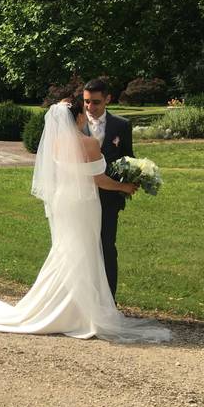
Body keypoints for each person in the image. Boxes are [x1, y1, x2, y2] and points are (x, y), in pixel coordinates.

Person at [0, 98, 170, 343]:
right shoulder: (89, 143)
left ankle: (67, 304)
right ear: (79, 118)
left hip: (63, 201)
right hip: (83, 203)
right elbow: (99, 180)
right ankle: (79, 310)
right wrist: (125, 186)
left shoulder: (56, 142)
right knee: (84, 250)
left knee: (66, 249)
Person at [82, 78, 132, 300]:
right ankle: (86, 299)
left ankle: (109, 300)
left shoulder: (121, 125)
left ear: (108, 99)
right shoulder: (75, 125)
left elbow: (128, 158)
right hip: (80, 199)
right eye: (86, 102)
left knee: (107, 247)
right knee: (83, 248)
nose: (90, 108)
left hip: (109, 198)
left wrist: (134, 179)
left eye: (96, 102)